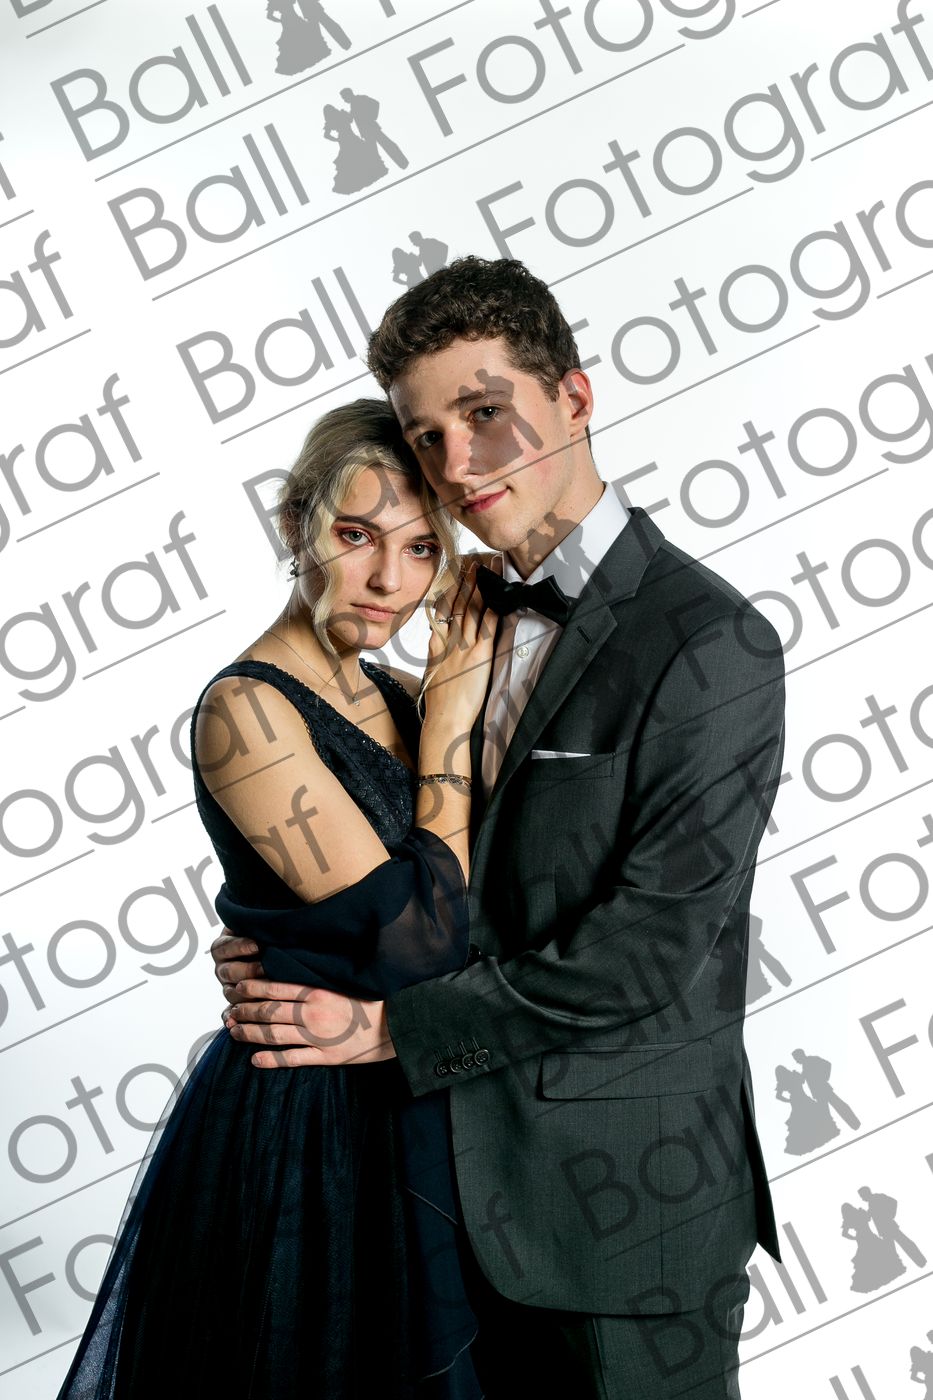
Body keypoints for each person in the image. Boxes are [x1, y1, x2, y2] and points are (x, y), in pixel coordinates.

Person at [213, 256, 788, 1398]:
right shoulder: (446, 616)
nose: (457, 465)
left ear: (574, 397)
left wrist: (387, 1026)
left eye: (484, 414)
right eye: (426, 437)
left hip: (626, 1220)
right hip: (432, 1203)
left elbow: (646, 950)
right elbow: (419, 869)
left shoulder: (709, 641)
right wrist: (289, 942)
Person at [55, 398, 499, 1400]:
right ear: (296, 522)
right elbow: (420, 941)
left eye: (421, 548)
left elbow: (488, 896)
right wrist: (451, 723)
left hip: (420, 1091)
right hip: (310, 1119)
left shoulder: (397, 693)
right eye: (357, 535)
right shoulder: (246, 708)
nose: (389, 580)